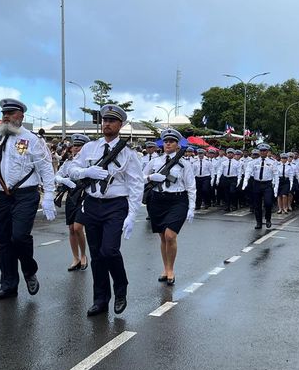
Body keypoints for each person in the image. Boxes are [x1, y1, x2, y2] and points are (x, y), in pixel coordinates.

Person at [0, 98, 56, 301]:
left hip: (25, 195)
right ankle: (8, 284)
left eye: (11, 113)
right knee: (3, 242)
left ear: (21, 116)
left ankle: (29, 269)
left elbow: (45, 168)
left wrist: (49, 195)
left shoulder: (32, 139)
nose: (6, 116)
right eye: (3, 113)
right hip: (1, 196)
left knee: (20, 237)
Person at [69, 104, 144, 317]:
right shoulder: (90, 148)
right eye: (105, 120)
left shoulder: (128, 153)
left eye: (112, 121)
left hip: (115, 205)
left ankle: (120, 288)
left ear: (121, 124)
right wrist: (85, 170)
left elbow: (136, 184)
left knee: (109, 250)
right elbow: (72, 169)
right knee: (96, 255)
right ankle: (100, 299)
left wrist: (132, 214)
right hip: (93, 204)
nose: (107, 124)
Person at [143, 128, 195, 286]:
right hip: (157, 200)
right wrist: (151, 177)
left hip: (177, 200)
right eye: (166, 141)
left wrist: (191, 207)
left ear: (177, 144)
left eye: (171, 141)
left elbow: (191, 186)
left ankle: (171, 269)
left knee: (170, 236)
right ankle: (165, 268)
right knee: (162, 237)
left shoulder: (184, 164)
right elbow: (140, 178)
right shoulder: (155, 161)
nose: (168, 144)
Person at [55, 133, 90, 272]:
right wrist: (63, 180)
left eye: (79, 146)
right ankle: (75, 258)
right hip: (71, 196)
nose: (76, 148)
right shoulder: (68, 163)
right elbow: (57, 176)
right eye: (75, 146)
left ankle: (83, 255)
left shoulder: (89, 162)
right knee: (71, 229)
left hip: (84, 195)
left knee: (77, 227)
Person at [243, 143, 278, 229]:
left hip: (267, 184)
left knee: (268, 203)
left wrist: (276, 186)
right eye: (261, 151)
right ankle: (258, 222)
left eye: (264, 151)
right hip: (257, 184)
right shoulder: (254, 162)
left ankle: (268, 218)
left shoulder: (272, 162)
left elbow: (276, 174)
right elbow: (248, 171)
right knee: (257, 204)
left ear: (267, 152)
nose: (262, 152)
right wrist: (245, 180)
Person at [216, 148, 242, 212]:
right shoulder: (224, 163)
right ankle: (227, 206)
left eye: (231, 153)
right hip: (226, 178)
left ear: (233, 154)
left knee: (232, 192)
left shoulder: (237, 163)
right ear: (226, 154)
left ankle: (234, 205)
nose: (230, 154)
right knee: (226, 193)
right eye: (228, 153)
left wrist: (239, 179)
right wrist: (218, 178)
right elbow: (220, 170)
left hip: (233, 178)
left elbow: (239, 172)